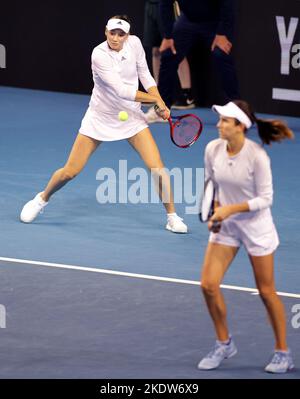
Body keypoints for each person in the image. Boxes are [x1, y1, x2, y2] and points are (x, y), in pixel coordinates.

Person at [20, 15, 187, 234]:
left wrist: (159, 99)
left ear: (127, 35)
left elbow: (145, 74)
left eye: (121, 34)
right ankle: (42, 198)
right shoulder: (99, 55)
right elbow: (122, 91)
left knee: (157, 168)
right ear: (105, 31)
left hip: (131, 117)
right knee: (70, 171)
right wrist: (155, 100)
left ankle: (172, 217)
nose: (116, 38)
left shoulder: (135, 44)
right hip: (100, 118)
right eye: (112, 33)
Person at [198, 100, 294, 373]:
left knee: (266, 291)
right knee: (208, 285)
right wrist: (216, 211)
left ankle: (282, 352)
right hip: (226, 225)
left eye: (225, 121)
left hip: (256, 227)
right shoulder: (212, 149)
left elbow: (266, 199)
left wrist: (230, 209)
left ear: (240, 126)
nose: (218, 125)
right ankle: (224, 343)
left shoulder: (257, 157)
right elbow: (212, 185)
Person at [145, 0, 240, 123]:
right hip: (188, 20)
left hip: (215, 20)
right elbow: (165, 4)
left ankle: (236, 111)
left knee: (221, 56)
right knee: (169, 55)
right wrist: (167, 36)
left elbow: (227, 4)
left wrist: (222, 33)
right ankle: (162, 109)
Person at [143, 0, 195, 111]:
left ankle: (187, 94)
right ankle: (157, 93)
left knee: (175, 49)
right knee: (156, 50)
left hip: (168, 6)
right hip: (150, 5)